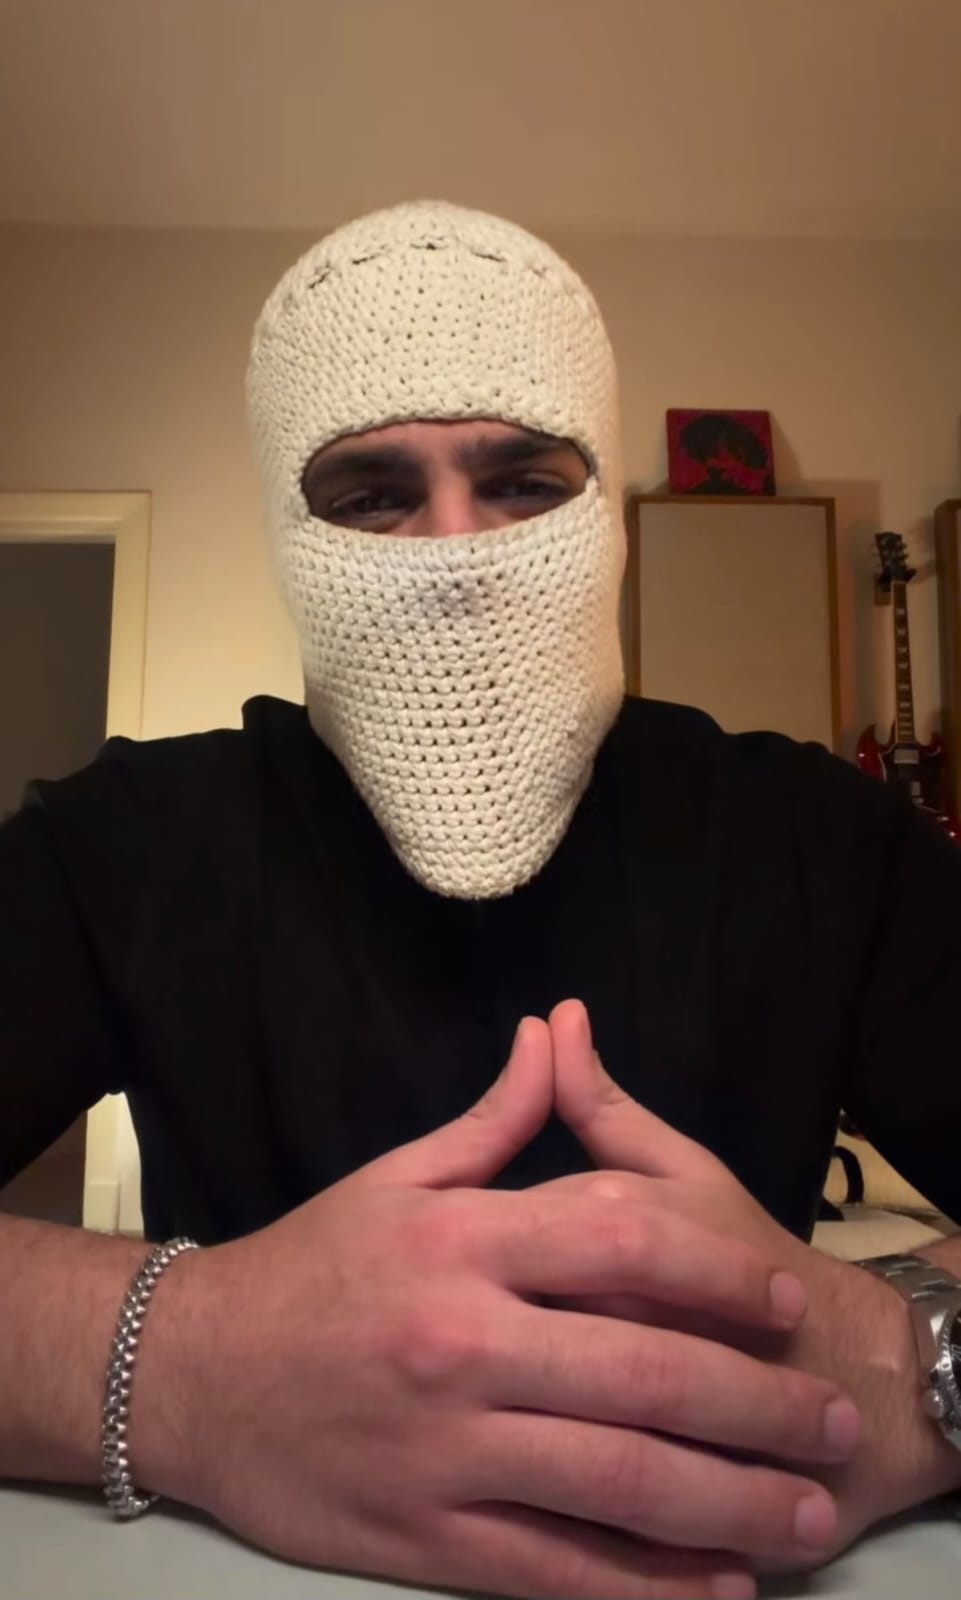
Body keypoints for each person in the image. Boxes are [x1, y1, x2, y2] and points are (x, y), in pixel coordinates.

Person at [2, 200, 960, 1600]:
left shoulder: (822, 843)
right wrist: (186, 1366)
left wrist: (903, 1362)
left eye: (523, 483)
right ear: (289, 531)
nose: (454, 554)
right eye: (370, 496)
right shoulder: (125, 848)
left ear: (604, 515)